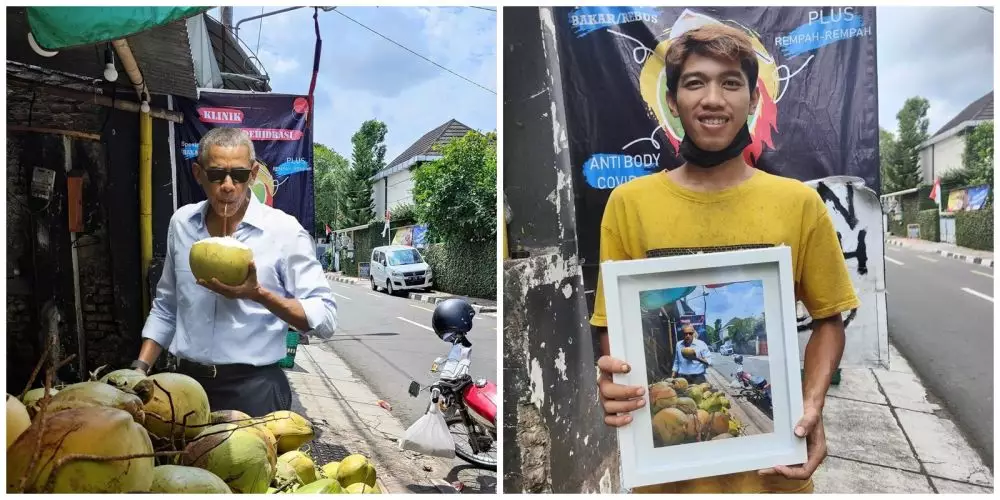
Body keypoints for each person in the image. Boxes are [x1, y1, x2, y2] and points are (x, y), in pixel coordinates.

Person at [591, 24, 859, 493]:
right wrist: (614, 378)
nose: (713, 98)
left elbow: (828, 320)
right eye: (695, 82)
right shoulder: (629, 204)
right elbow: (612, 321)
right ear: (671, 100)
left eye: (730, 82)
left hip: (773, 477)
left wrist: (812, 403)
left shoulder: (798, 203)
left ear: (753, 99)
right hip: (666, 479)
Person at [132, 127, 338, 417]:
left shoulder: (283, 231)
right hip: (184, 386)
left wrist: (259, 295)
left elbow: (325, 318)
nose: (228, 185)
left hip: (254, 388)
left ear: (253, 174)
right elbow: (167, 306)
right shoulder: (182, 223)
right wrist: (139, 369)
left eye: (239, 175)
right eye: (216, 175)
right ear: (198, 173)